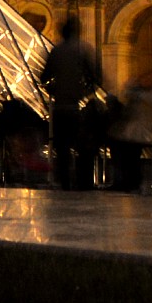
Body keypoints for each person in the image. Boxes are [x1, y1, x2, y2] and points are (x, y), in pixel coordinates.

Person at [44, 15, 102, 190]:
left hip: (60, 106)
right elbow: (97, 77)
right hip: (78, 107)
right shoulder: (84, 49)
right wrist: (84, 92)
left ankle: (65, 182)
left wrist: (53, 89)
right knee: (84, 147)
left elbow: (44, 77)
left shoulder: (56, 51)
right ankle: (84, 182)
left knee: (62, 148)